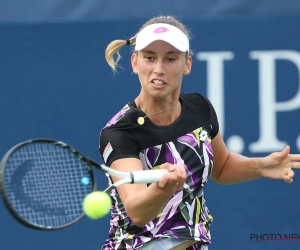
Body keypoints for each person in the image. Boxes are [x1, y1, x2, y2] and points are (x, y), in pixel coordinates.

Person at [99, 15, 300, 250]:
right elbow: (137, 211)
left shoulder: (199, 108)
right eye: (149, 58)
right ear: (135, 63)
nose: (158, 69)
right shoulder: (120, 132)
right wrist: (162, 188)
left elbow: (222, 167)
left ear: (187, 65)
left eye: (170, 59)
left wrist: (261, 166)